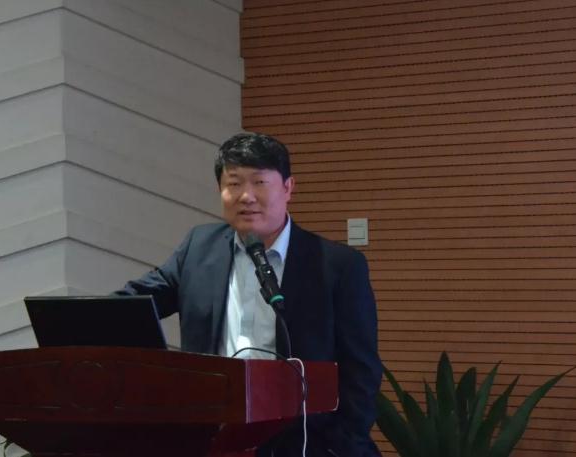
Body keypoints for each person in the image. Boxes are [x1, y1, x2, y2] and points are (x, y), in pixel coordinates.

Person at [115, 132, 382, 457]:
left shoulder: (337, 266)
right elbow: (139, 301)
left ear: (288, 188)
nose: (246, 196)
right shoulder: (199, 247)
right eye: (234, 183)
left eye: (259, 182)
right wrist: (81, 319)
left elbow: (361, 372)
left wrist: (339, 445)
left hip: (303, 441)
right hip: (215, 438)